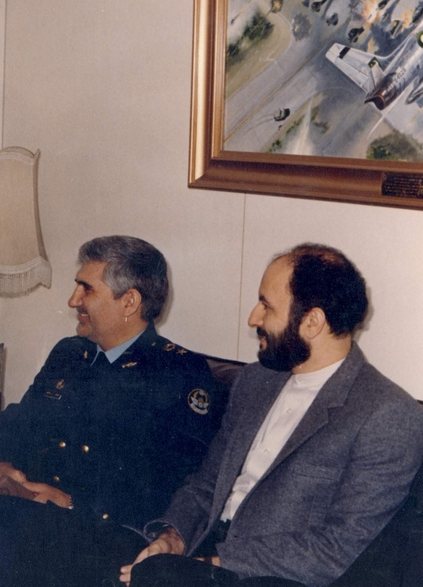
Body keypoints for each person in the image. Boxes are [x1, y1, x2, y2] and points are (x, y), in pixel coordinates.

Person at [0, 236, 221, 587]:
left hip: (102, 531)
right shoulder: (70, 353)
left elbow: (174, 483)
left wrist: (70, 502)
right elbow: (17, 422)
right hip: (31, 511)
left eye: (87, 289)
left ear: (129, 301)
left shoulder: (178, 372)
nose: (73, 300)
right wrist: (0, 466)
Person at [121, 243, 423, 587]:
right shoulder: (256, 380)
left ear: (311, 322)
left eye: (266, 305)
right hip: (201, 554)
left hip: (268, 577)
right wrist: (172, 538)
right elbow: (207, 484)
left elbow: (338, 547)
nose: (253, 318)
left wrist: (208, 568)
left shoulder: (386, 414)